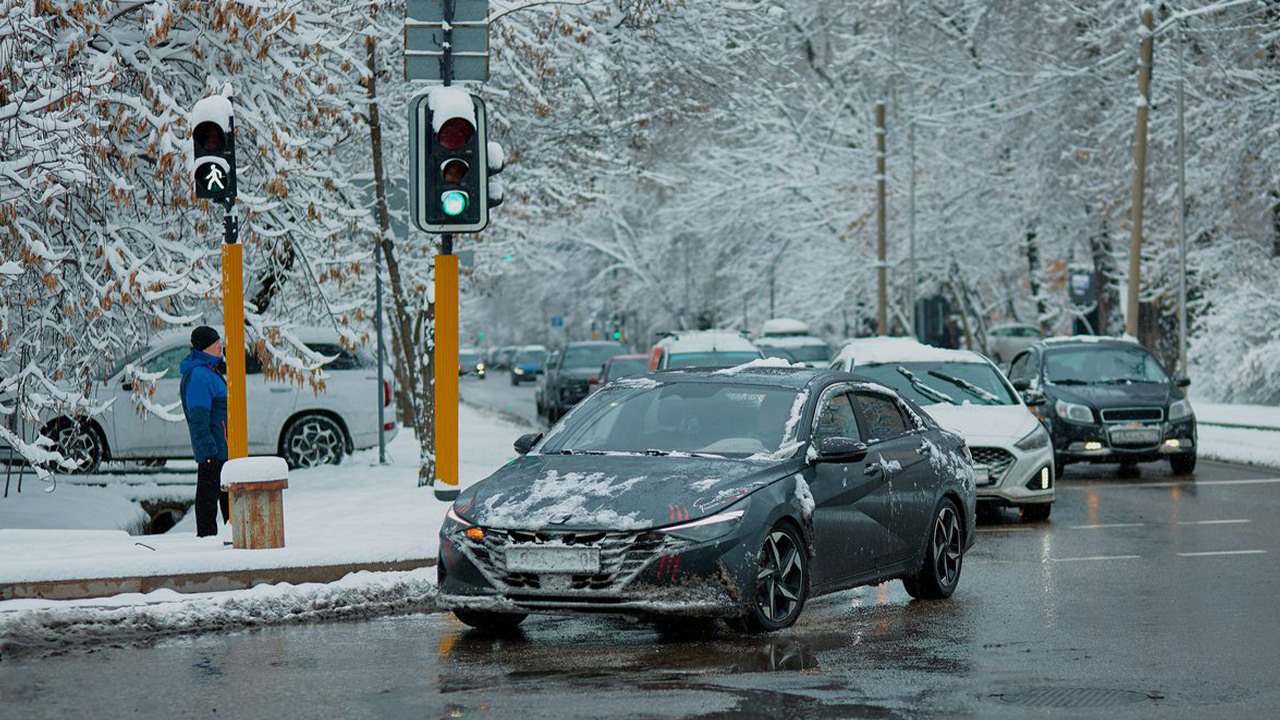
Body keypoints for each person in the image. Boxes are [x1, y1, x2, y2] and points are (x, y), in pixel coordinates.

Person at [180, 326, 229, 537]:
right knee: (209, 503)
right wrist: (210, 453)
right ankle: (208, 544)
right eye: (216, 343)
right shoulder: (200, 376)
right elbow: (198, 420)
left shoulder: (209, 371)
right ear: (205, 348)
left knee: (225, 500)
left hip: (221, 449)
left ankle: (229, 539)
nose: (221, 345)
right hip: (214, 452)